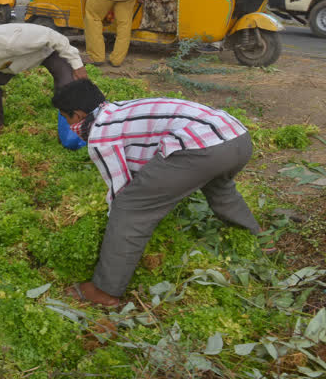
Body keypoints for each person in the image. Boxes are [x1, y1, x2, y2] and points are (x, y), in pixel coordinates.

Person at [52, 79, 261, 307]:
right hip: (237, 137)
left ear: (79, 114)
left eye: (66, 117)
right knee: (219, 186)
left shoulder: (101, 134)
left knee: (129, 208)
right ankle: (253, 235)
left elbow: (121, 191)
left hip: (203, 148)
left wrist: (119, 220)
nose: (66, 123)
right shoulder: (119, 110)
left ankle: (105, 290)